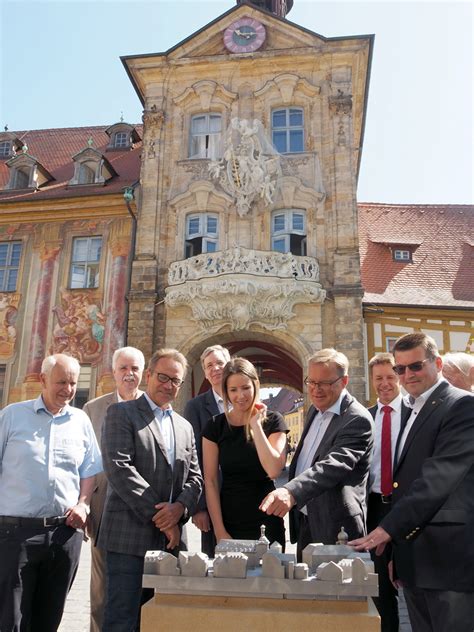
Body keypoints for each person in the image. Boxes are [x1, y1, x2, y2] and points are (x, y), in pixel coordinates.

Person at [350, 333, 474, 632]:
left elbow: (437, 479)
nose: (407, 375)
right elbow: (402, 485)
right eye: (401, 369)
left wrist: (386, 530)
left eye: (416, 366)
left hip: (449, 558)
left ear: (438, 364)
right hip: (415, 557)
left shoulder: (462, 405)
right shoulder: (413, 408)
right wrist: (398, 551)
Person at [98, 348, 202, 631]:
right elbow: (120, 469)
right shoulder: (121, 413)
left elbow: (195, 478)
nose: (168, 385)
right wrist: (162, 518)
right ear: (149, 376)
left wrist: (179, 510)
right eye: (163, 377)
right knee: (122, 619)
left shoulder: (184, 427)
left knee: (161, 620)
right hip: (128, 537)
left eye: (175, 381)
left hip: (170, 542)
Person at [0, 353, 102, 631]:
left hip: (63, 535)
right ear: (43, 379)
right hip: (16, 535)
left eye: (72, 383)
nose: (68, 390)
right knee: (10, 620)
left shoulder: (81, 420)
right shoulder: (11, 416)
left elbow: (89, 470)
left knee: (50, 617)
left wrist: (83, 504)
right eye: (61, 382)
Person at [260, 349, 374, 560]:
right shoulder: (314, 409)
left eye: (324, 383)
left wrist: (291, 491)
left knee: (339, 590)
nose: (315, 389)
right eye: (311, 382)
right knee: (308, 589)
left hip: (337, 526)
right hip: (306, 518)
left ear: (344, 381)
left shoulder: (357, 419)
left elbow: (333, 465)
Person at [83, 346, 145, 632]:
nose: (129, 374)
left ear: (142, 373)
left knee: (142, 589)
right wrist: (83, 503)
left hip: (143, 513)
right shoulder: (93, 409)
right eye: (123, 368)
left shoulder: (155, 407)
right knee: (101, 591)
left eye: (134, 369)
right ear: (113, 372)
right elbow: (82, 461)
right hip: (102, 510)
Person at [202, 357, 288, 546]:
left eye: (245, 388)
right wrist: (219, 530)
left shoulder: (274, 421)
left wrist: (256, 425)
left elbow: (273, 470)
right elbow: (210, 480)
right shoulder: (215, 426)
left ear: (255, 385)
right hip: (228, 520)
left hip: (267, 519)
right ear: (225, 392)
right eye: (233, 390)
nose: (240, 395)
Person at [367, 352, 409, 632]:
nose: (384, 384)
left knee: (411, 580)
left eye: (390, 377)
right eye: (379, 378)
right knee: (381, 583)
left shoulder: (413, 413)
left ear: (400, 378)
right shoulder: (366, 417)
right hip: (374, 507)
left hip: (407, 506)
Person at [183, 344, 231, 556]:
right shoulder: (195, 407)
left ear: (229, 365)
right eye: (209, 365)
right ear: (204, 371)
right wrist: (199, 506)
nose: (215, 369)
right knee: (216, 560)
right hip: (212, 500)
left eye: (220, 363)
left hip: (246, 496)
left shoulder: (244, 399)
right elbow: (193, 457)